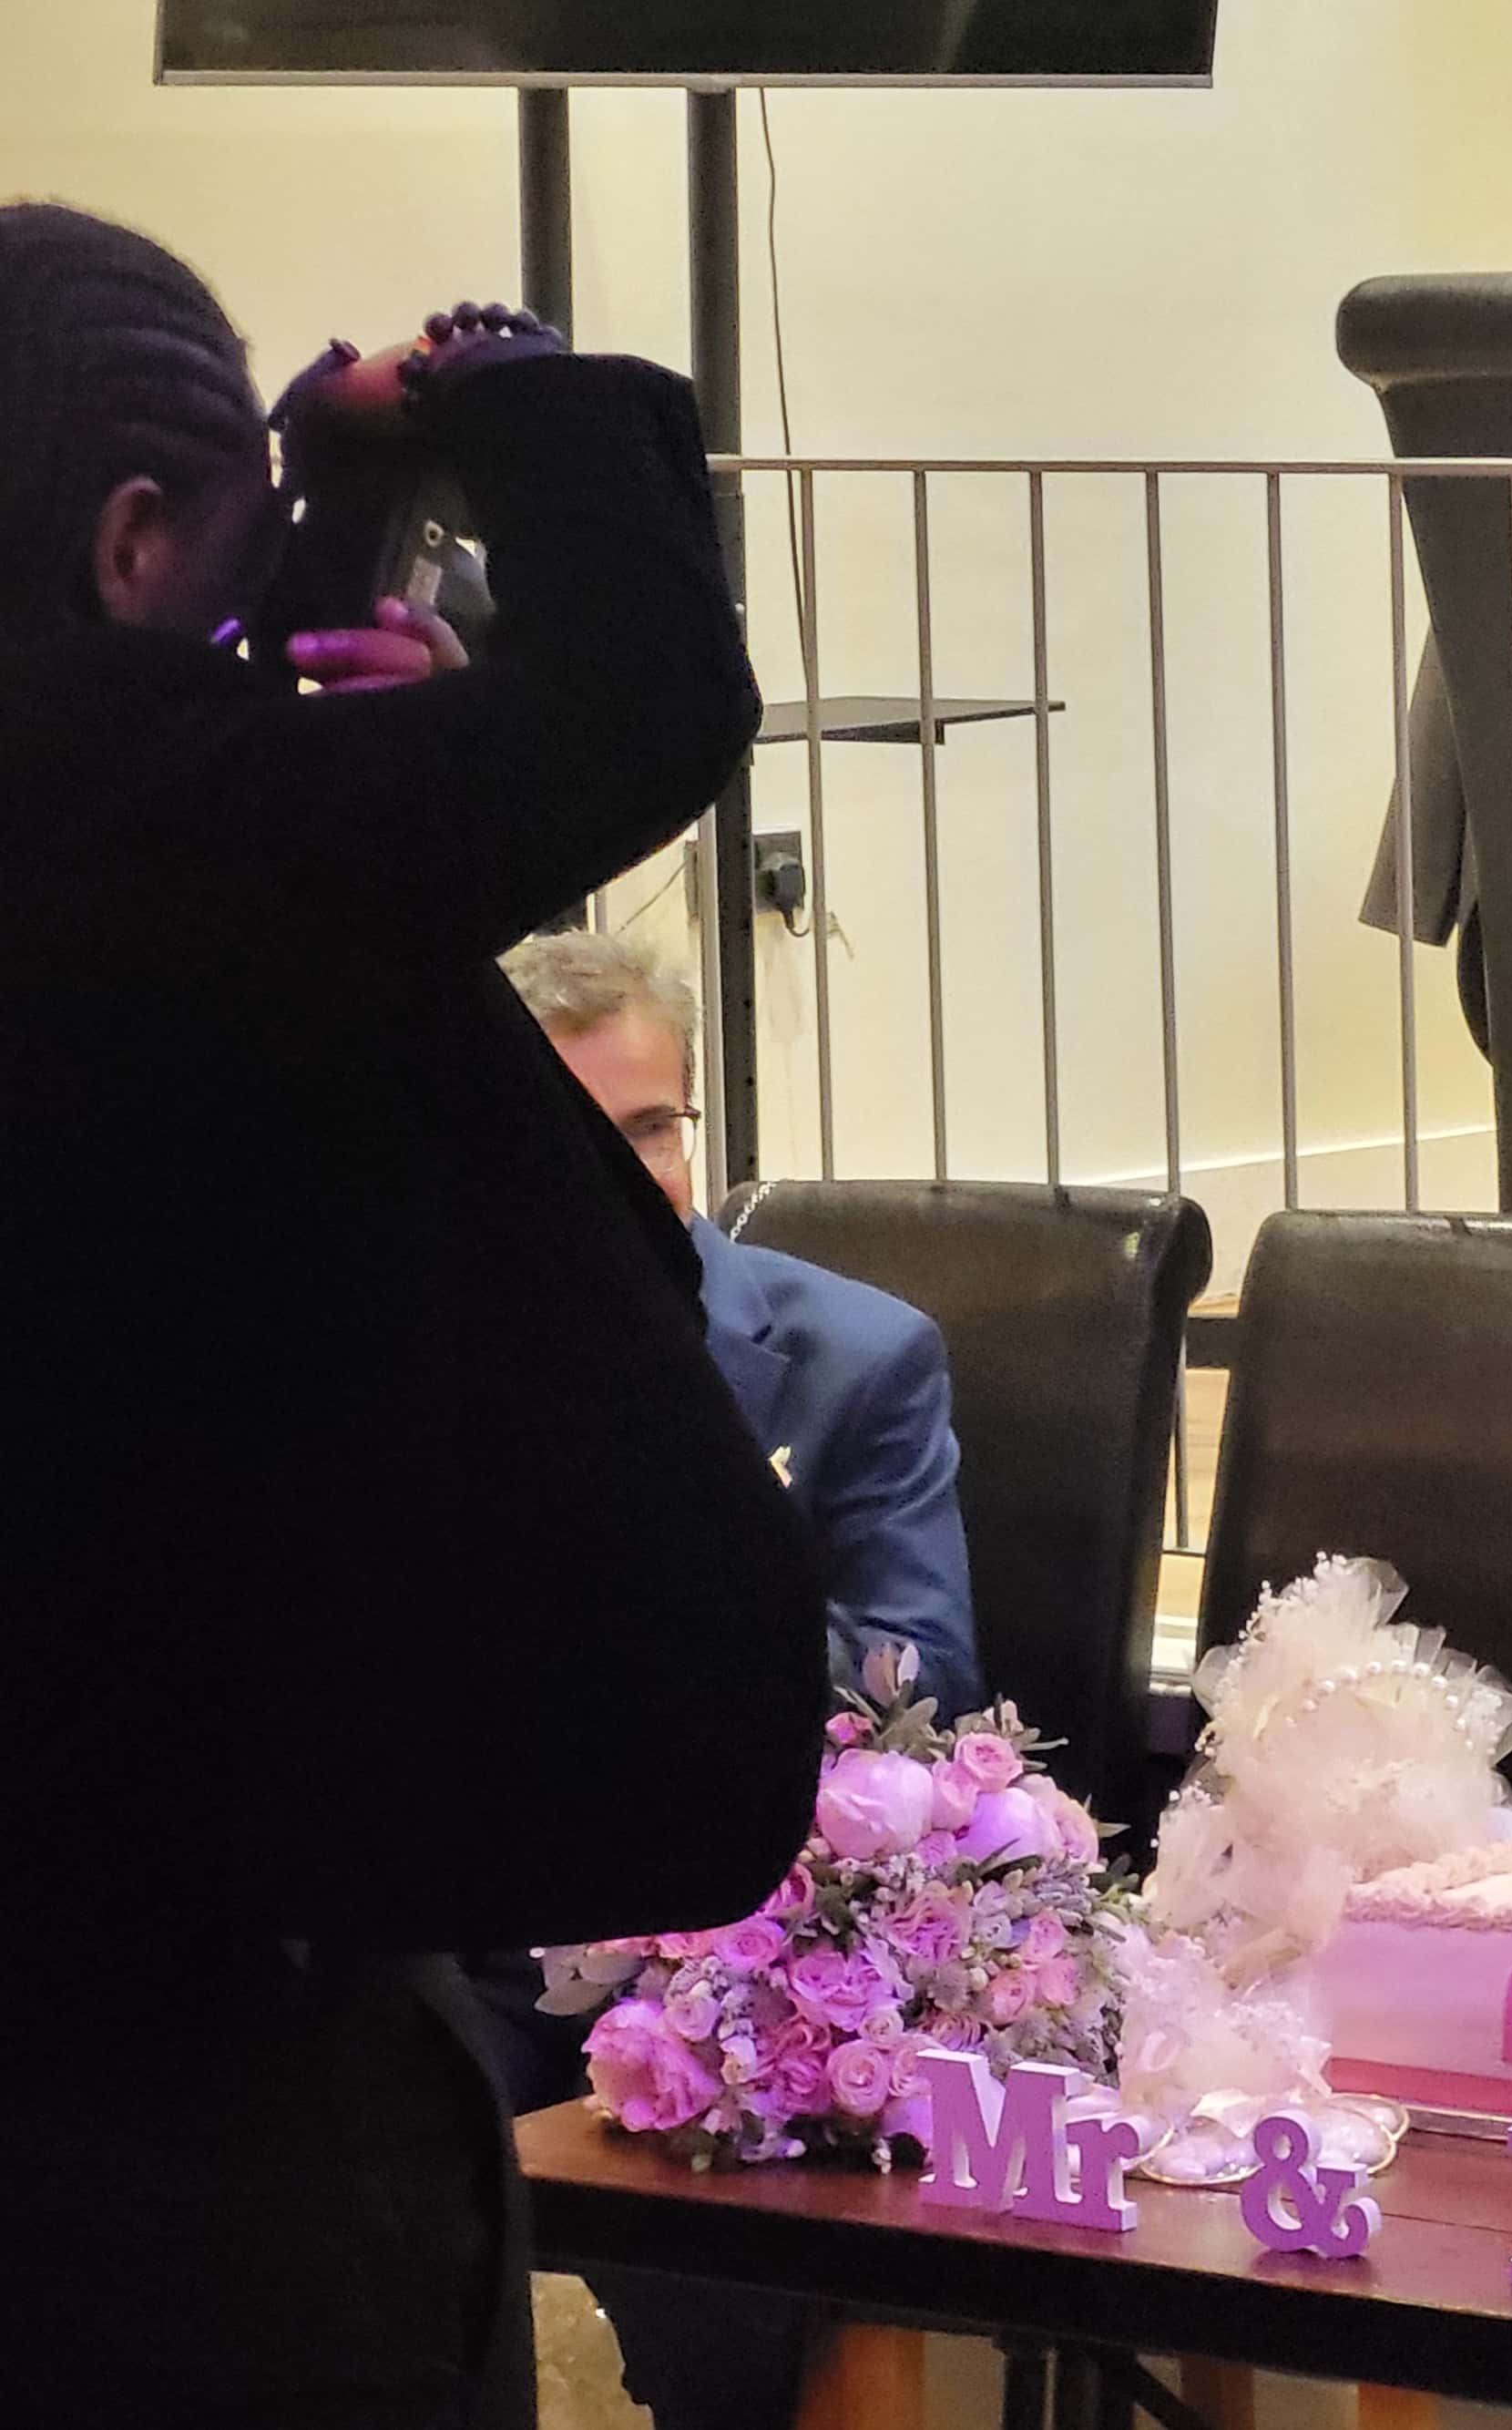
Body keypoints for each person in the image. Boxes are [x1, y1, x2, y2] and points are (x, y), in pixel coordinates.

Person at [0, 207, 827, 2425]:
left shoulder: (180, 854)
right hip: (186, 2090)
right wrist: (503, 402)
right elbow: (646, 692)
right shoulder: (161, 830)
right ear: (127, 535)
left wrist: (310, 557)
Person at [505, 930, 982, 1710]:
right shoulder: (423, 1344)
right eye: (568, 1138)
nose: (620, 1178)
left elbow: (932, 1673)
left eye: (651, 1129)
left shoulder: (866, 1359)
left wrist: (684, 1582)